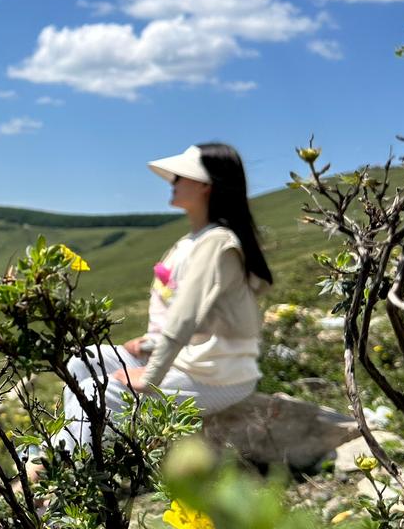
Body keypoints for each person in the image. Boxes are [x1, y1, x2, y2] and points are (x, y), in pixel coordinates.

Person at [56, 142, 272, 453]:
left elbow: (186, 318)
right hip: (192, 361)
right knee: (83, 361)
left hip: (216, 375)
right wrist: (147, 346)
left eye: (179, 177)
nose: (172, 183)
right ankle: (80, 453)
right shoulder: (190, 241)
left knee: (95, 391)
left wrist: (150, 376)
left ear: (204, 185)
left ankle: (60, 476)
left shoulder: (217, 243)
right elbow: (198, 323)